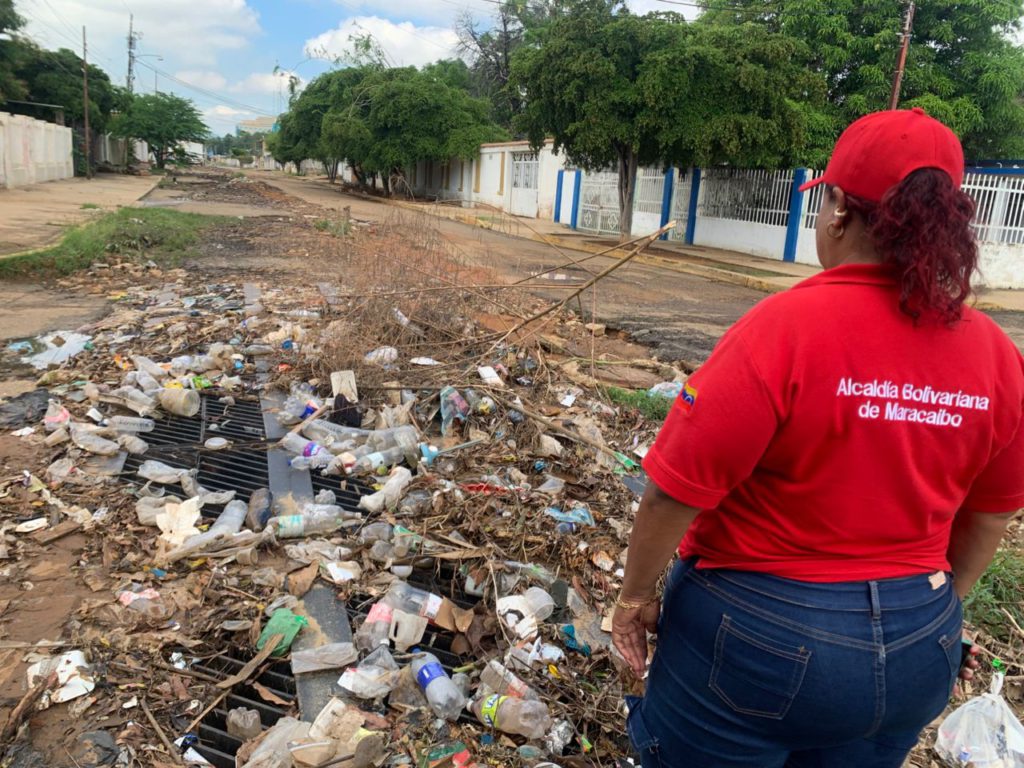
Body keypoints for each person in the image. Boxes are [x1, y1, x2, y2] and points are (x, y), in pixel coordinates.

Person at [613, 107, 1024, 768]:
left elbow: (672, 492)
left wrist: (634, 599)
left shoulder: (784, 329)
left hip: (760, 642)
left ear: (838, 213)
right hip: (920, 644)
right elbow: (994, 513)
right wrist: (934, 611)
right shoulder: (996, 355)